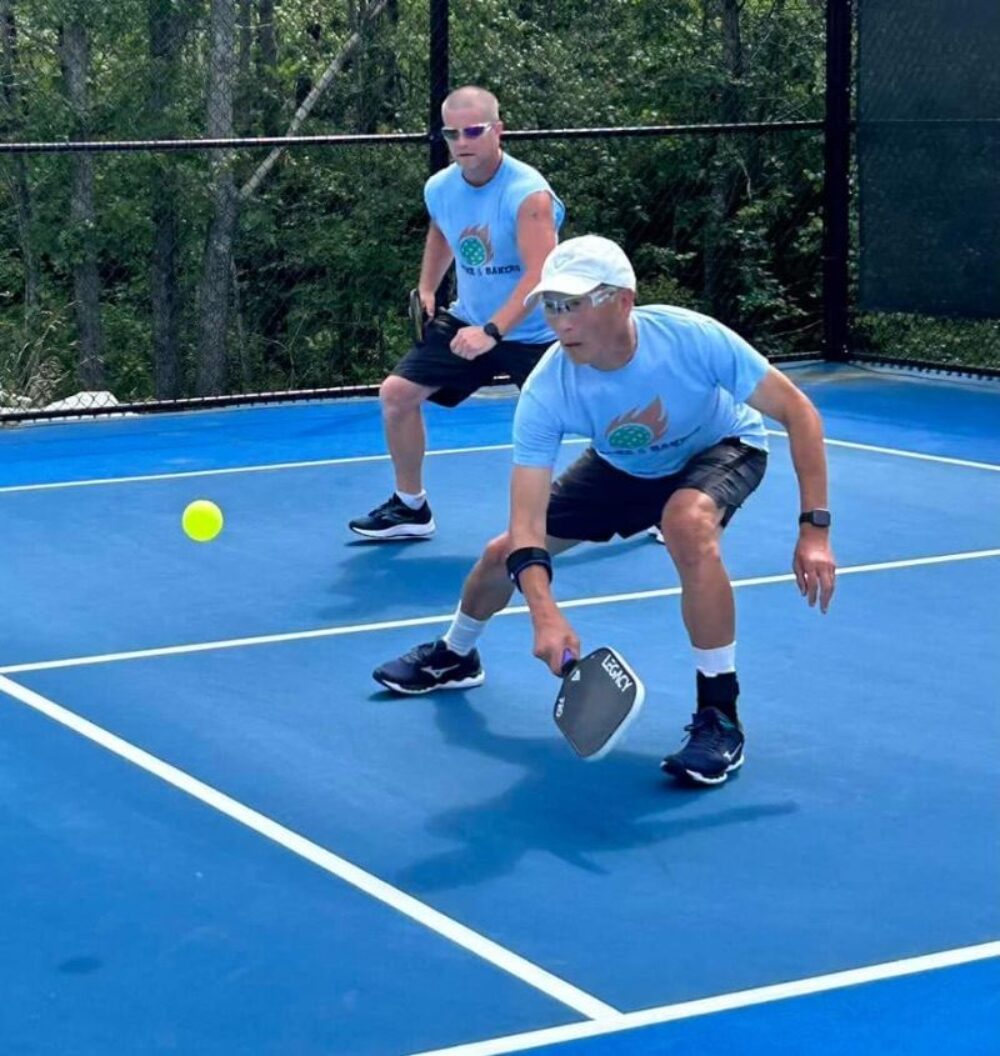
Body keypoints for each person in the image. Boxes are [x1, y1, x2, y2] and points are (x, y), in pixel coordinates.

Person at [372, 235, 836, 786]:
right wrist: (544, 613)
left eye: (574, 304)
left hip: (720, 447)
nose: (559, 320)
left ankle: (720, 715)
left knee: (685, 524)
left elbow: (799, 413)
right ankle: (456, 655)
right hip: (622, 467)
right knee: (501, 555)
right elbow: (526, 525)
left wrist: (814, 530)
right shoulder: (549, 387)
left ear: (622, 300)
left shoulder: (690, 338)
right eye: (551, 305)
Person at [349, 85, 565, 540]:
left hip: (538, 332)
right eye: (453, 133)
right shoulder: (441, 187)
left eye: (473, 131)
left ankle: (660, 495)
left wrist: (492, 331)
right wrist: (428, 286)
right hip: (471, 319)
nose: (462, 142)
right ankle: (411, 508)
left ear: (498, 131)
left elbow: (539, 275)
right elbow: (442, 232)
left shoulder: (529, 195)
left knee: (600, 413)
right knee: (396, 395)